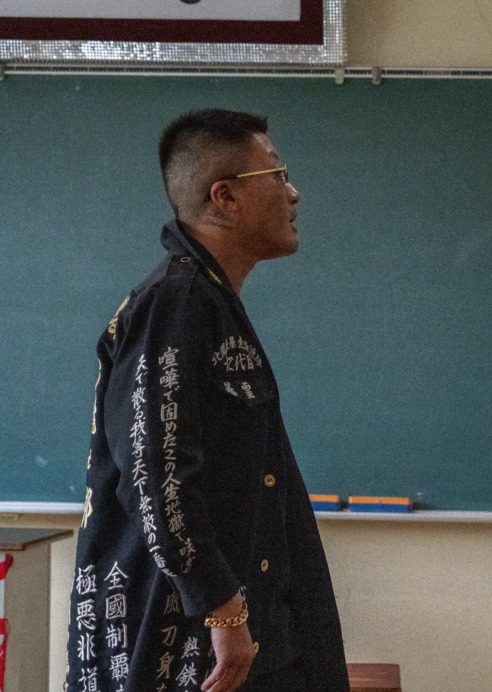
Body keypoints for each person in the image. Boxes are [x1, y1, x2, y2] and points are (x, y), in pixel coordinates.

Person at [66, 109, 350, 692]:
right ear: (225, 197)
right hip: (192, 644)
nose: (293, 193)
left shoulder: (211, 301)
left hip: (255, 630)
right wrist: (223, 611)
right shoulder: (174, 302)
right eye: (277, 174)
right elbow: (155, 472)